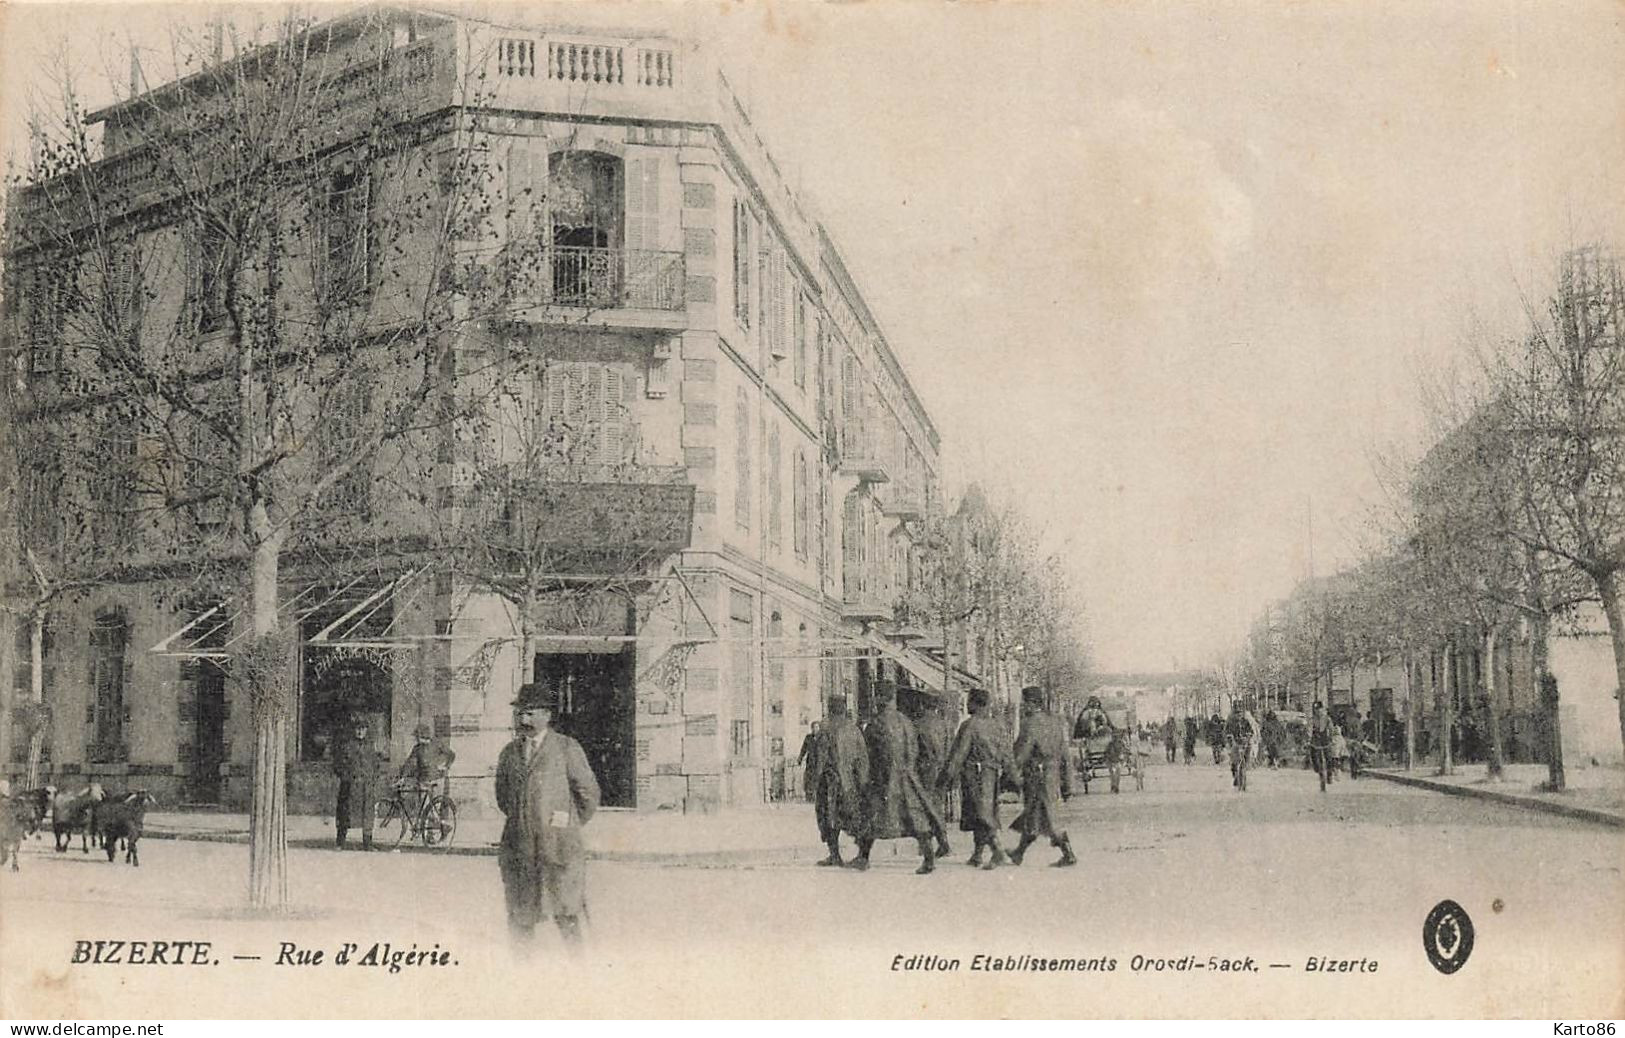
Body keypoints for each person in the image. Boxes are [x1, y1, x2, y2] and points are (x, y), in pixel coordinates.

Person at [494, 682, 600, 946]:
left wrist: (565, 823)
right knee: (521, 917)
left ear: (547, 715)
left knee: (567, 914)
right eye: (520, 713)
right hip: (520, 848)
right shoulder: (509, 753)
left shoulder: (566, 748)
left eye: (530, 712)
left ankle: (582, 976)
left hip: (559, 849)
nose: (523, 719)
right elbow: (504, 798)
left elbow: (588, 794)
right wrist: (527, 820)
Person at [851, 684, 949, 873]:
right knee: (915, 817)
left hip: (884, 778)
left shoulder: (876, 723)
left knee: (871, 816)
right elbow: (914, 749)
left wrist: (868, 779)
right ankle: (929, 858)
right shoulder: (907, 721)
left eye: (877, 696)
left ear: (881, 698)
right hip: (908, 775)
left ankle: (863, 857)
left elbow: (870, 754)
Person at [940, 688, 1014, 869]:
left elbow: (959, 754)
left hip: (975, 774)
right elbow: (1006, 753)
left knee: (981, 814)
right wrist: (1008, 774)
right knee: (985, 811)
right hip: (992, 773)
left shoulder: (970, 725)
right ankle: (977, 854)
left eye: (969, 701)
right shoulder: (998, 725)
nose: (966, 705)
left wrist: (947, 776)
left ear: (974, 703)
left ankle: (998, 852)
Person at [1008, 686, 1077, 867]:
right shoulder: (1055, 722)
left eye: (1025, 703)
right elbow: (1064, 754)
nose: (1023, 706)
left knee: (1046, 816)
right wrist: (1068, 782)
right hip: (1052, 775)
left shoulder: (1030, 723)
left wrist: (1011, 772)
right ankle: (1018, 852)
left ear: (1032, 703)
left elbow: (1022, 753)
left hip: (1036, 776)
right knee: (1035, 816)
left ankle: (1069, 854)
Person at [812, 698, 869, 867]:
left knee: (828, 817)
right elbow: (862, 757)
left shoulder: (826, 729)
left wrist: (816, 781)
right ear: (844, 709)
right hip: (851, 782)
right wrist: (863, 780)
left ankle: (835, 854)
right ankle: (862, 855)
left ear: (830, 709)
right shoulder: (854, 729)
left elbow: (821, 758)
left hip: (830, 782)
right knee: (854, 817)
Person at [333, 716, 381, 851]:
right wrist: (346, 777)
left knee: (368, 815)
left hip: (366, 787)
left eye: (363, 729)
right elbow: (337, 765)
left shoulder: (370, 746)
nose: (360, 732)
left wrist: (373, 778)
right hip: (350, 786)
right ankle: (340, 842)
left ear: (366, 730)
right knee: (345, 814)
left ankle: (367, 844)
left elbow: (376, 764)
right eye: (357, 729)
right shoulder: (346, 745)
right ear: (353, 730)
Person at [396, 721, 456, 821]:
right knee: (425, 808)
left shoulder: (437, 744)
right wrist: (403, 777)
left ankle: (440, 828)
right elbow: (409, 763)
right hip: (423, 780)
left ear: (422, 736)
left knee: (436, 806)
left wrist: (446, 766)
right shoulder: (417, 749)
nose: (416, 739)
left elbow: (451, 755)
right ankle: (429, 831)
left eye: (417, 736)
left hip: (437, 780)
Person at [912, 700, 953, 828]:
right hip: (942, 765)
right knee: (938, 797)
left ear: (922, 705)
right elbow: (950, 747)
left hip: (925, 766)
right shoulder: (945, 725)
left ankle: (931, 826)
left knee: (925, 797)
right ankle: (940, 824)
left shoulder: (917, 724)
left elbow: (914, 750)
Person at [1225, 702, 1252, 792]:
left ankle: (1243, 779)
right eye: (1237, 712)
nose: (1239, 715)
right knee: (1234, 762)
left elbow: (1250, 731)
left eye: (1240, 712)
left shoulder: (1245, 721)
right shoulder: (1230, 722)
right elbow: (1226, 732)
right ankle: (1236, 776)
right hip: (1234, 744)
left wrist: (1248, 736)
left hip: (1244, 744)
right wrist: (1230, 738)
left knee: (1245, 761)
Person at [1308, 701, 1334, 793]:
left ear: (1322, 709)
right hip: (1316, 740)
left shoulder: (1327, 718)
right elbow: (1309, 729)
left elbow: (1331, 729)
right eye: (1315, 709)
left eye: (1319, 709)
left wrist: (1331, 738)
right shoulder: (1312, 719)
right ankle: (1320, 774)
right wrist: (1309, 738)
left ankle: (1330, 774)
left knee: (1329, 758)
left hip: (1325, 739)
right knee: (1315, 758)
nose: (1317, 711)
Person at [796, 722, 823, 803]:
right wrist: (800, 759)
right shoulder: (808, 738)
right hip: (810, 762)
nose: (815, 729)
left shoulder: (822, 738)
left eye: (817, 727)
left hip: (819, 763)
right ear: (811, 729)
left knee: (819, 779)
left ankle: (819, 798)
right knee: (809, 779)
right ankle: (810, 797)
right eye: (814, 727)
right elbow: (803, 749)